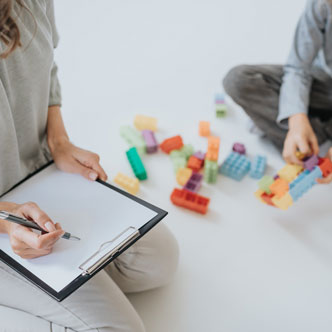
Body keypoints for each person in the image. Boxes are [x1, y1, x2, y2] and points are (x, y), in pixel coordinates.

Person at [0, 1, 179, 331]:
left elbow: (46, 66)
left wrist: (59, 142)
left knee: (158, 262)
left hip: (36, 173)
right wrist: (7, 221)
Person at [223, 0, 332, 184]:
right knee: (238, 80)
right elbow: (298, 68)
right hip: (324, 84)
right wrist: (296, 119)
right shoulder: (321, 4)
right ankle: (310, 133)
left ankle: (296, 131)